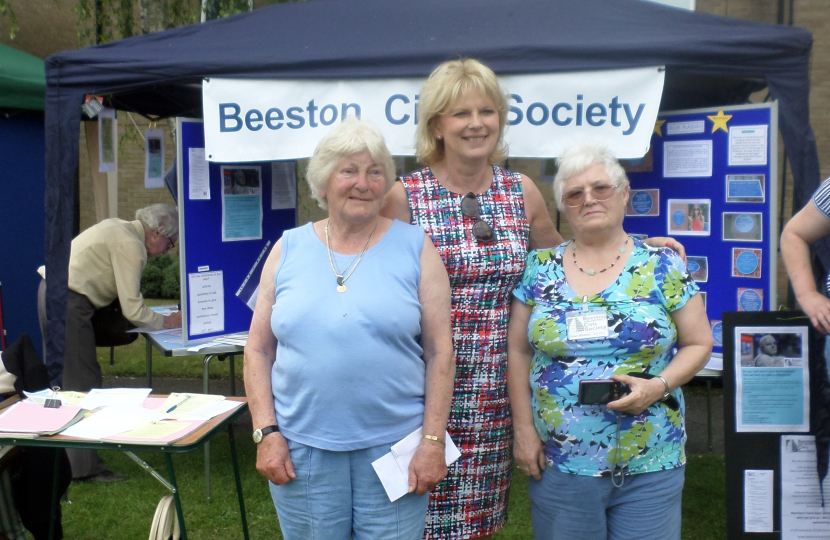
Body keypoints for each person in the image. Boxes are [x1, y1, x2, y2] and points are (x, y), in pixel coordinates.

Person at [381, 58, 685, 540]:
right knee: (412, 513)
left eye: (487, 110)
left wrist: (636, 249)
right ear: (436, 124)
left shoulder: (519, 191)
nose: (476, 123)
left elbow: (567, 260)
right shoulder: (404, 197)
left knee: (474, 523)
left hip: (496, 386)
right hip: (426, 380)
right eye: (461, 113)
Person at [244, 117, 455, 540]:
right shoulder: (288, 247)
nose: (364, 183)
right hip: (302, 451)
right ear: (323, 183)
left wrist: (432, 441)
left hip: (395, 448)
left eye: (375, 171)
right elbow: (258, 350)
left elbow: (440, 352)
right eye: (349, 171)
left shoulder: (416, 246)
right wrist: (265, 432)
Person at [507, 142, 712, 540]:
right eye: (574, 194)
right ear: (562, 207)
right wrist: (524, 431)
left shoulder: (662, 265)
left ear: (624, 194)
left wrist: (659, 386)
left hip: (652, 458)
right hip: (560, 462)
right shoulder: (539, 268)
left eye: (601, 188)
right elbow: (517, 351)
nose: (589, 199)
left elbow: (699, 343)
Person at [36, 203, 182, 483]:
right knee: (82, 382)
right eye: (169, 242)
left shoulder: (119, 226)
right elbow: (134, 310)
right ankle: (83, 469)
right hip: (68, 301)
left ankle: (61, 457)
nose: (167, 251)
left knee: (62, 381)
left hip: (50, 291)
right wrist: (169, 322)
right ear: (156, 232)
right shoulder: (132, 246)